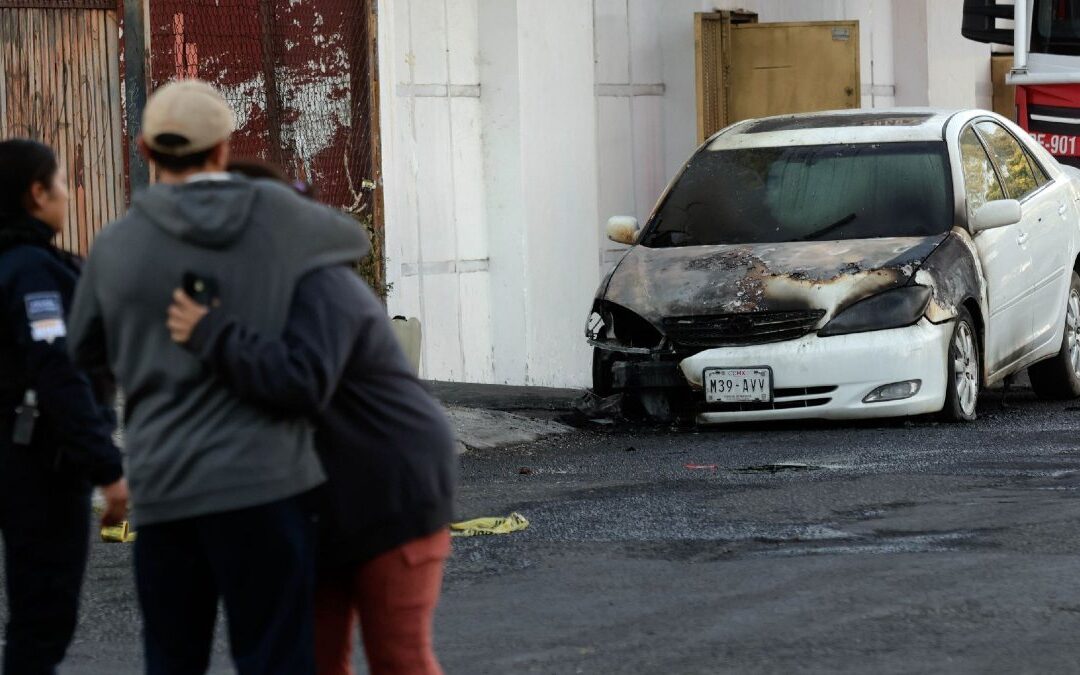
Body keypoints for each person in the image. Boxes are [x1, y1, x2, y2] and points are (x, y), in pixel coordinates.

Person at [66, 79, 368, 674]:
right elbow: (351, 239)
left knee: (173, 660)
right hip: (270, 485)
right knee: (277, 659)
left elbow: (84, 355)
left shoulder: (116, 246)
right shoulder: (281, 217)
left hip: (165, 488)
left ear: (145, 150)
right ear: (225, 147)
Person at [165, 199, 457, 673]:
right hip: (318, 508)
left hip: (393, 496)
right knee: (312, 660)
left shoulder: (321, 286)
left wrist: (211, 334)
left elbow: (299, 382)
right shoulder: (258, 296)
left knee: (397, 657)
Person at [0, 139, 128, 674]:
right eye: (57, 183)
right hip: (41, 467)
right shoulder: (31, 271)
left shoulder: (30, 262)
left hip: (25, 460)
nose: (64, 195)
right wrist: (107, 468)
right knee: (44, 618)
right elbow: (58, 371)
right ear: (35, 192)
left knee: (36, 616)